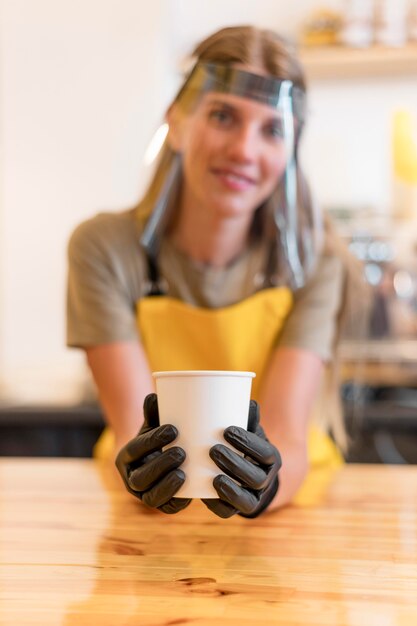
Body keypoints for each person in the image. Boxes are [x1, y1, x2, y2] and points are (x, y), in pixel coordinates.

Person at [67, 25, 365, 518]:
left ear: (289, 152)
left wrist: (266, 486)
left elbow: (287, 433)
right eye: (223, 116)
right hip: (146, 509)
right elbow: (130, 426)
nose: (245, 150)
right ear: (177, 121)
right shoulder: (104, 248)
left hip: (287, 510)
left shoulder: (316, 262)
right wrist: (143, 474)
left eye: (273, 129)